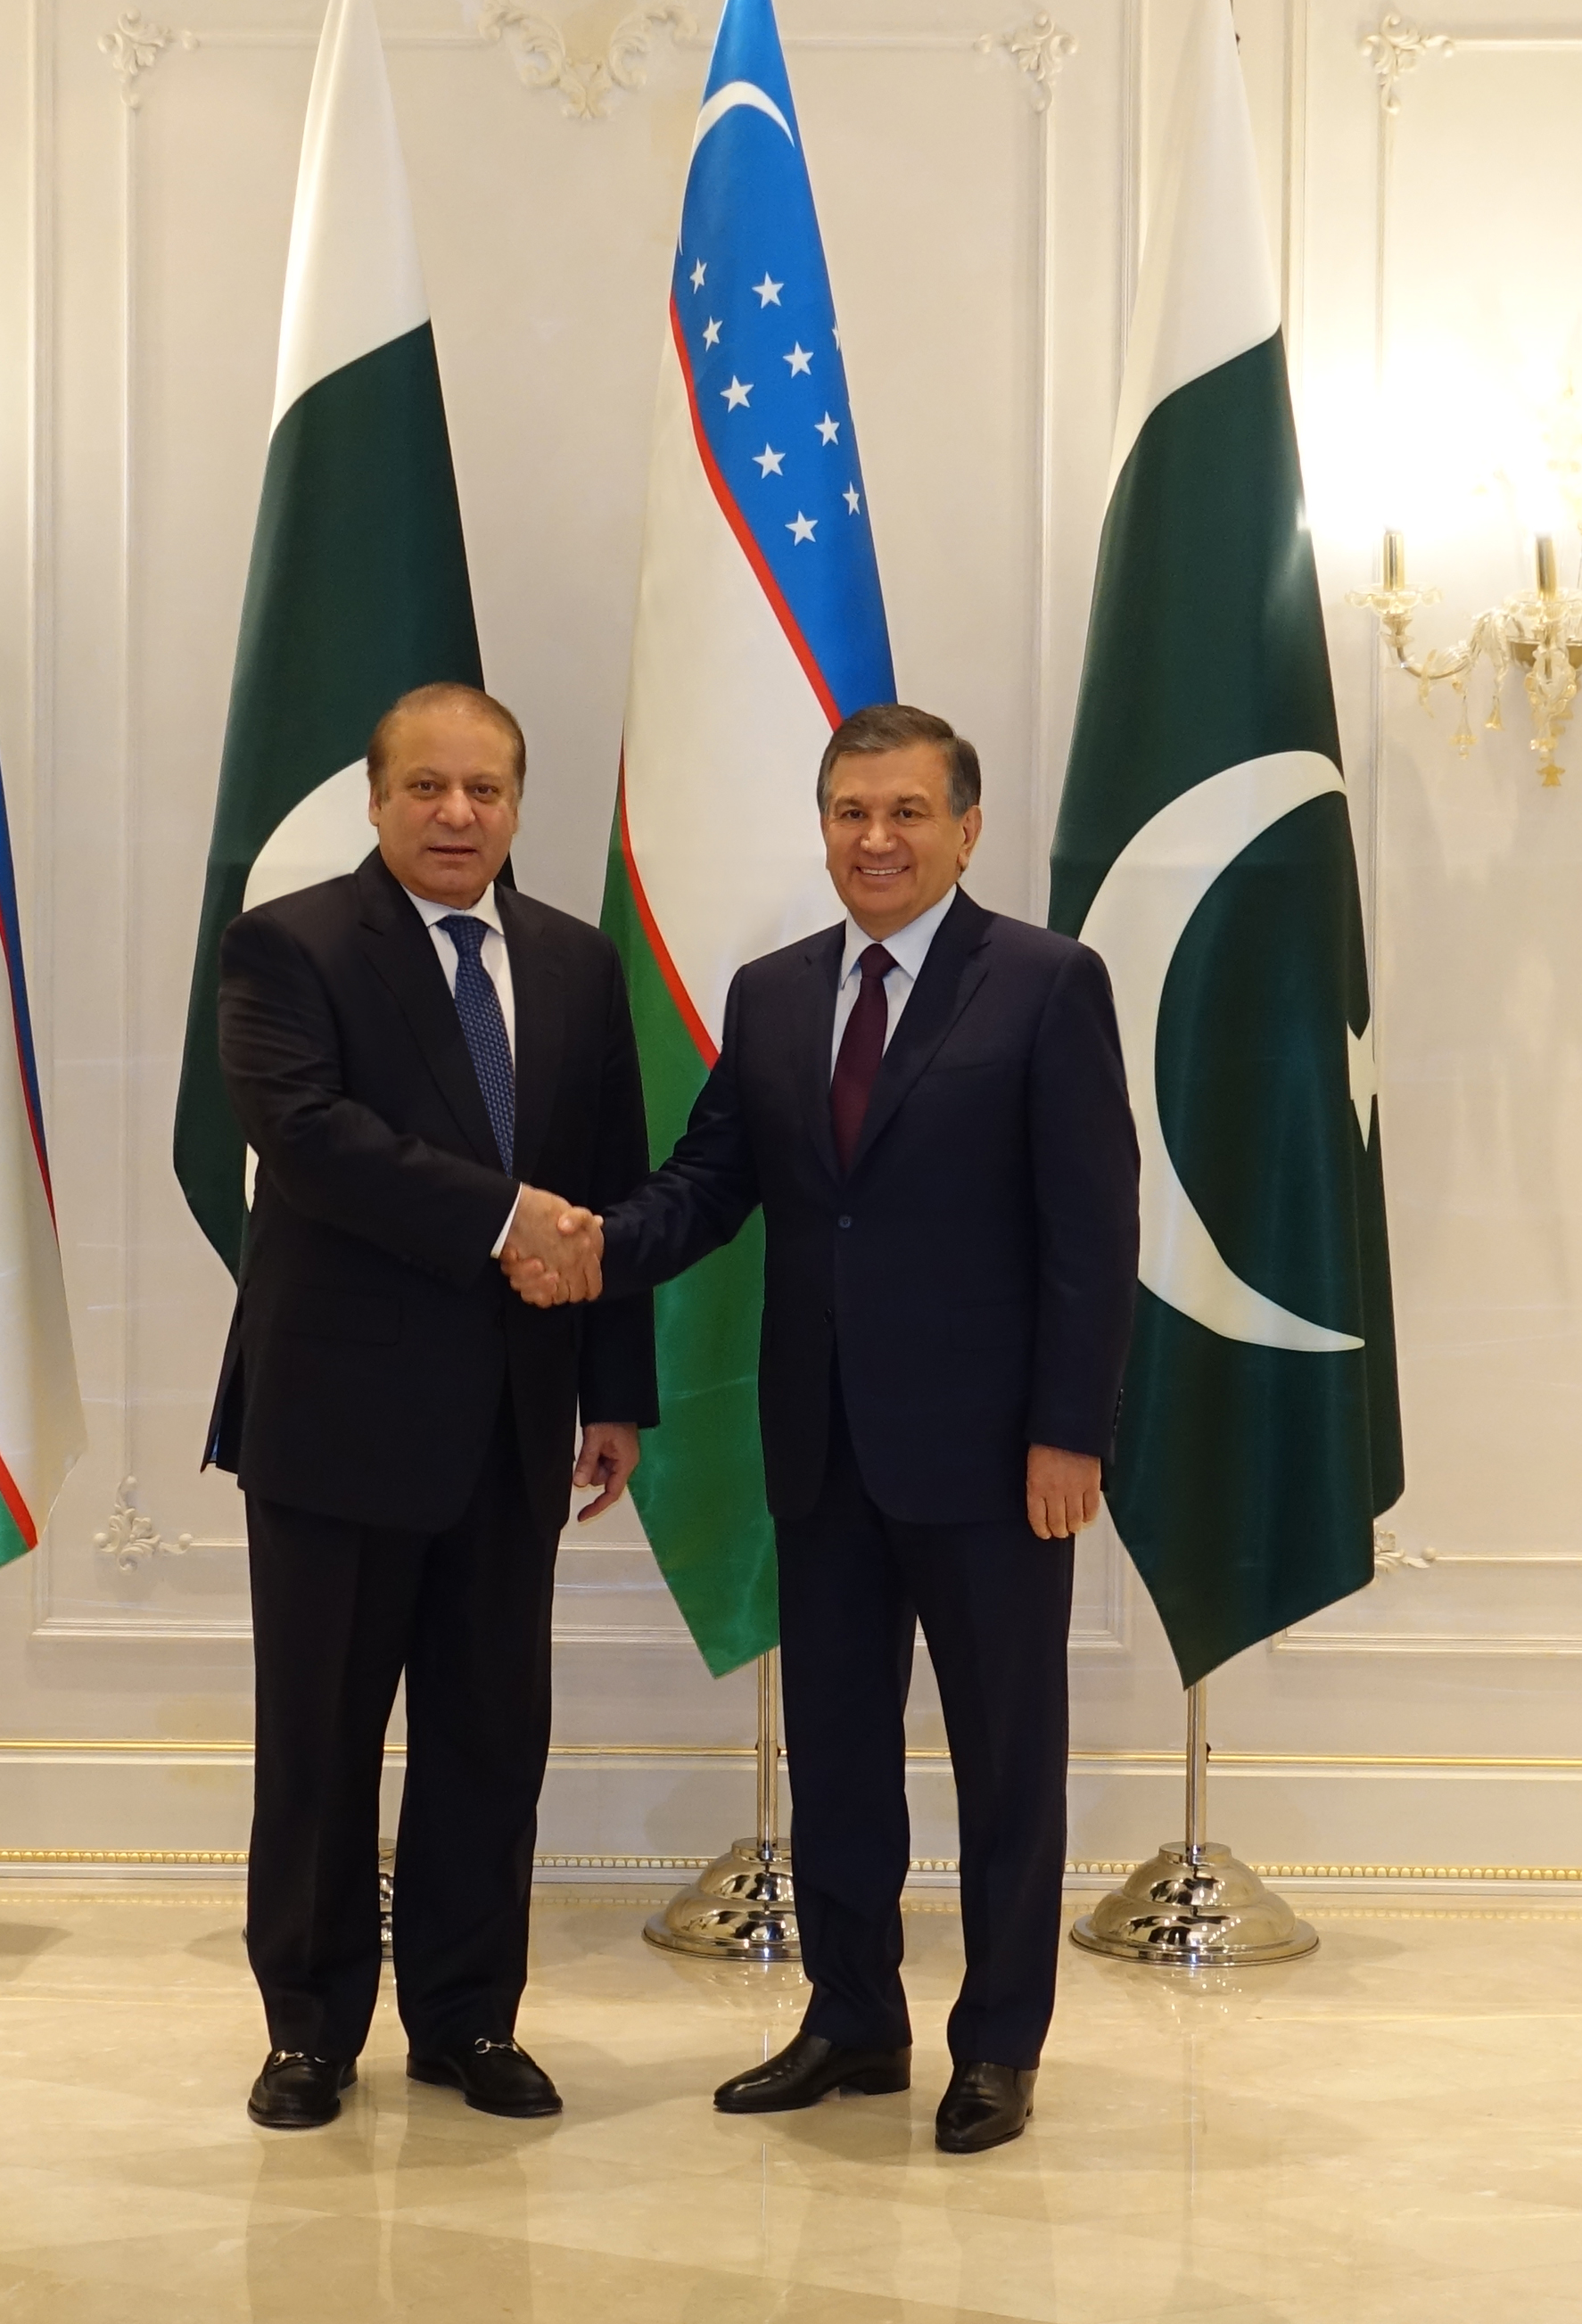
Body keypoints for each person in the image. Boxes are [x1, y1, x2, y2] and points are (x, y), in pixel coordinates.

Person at [512, 702, 1137, 2154]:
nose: (877, 840)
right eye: (853, 813)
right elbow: (714, 1179)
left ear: (967, 830)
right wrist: (600, 1240)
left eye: (909, 813)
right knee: (839, 1755)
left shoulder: (1046, 984)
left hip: (995, 1460)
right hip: (824, 1447)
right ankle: (854, 2019)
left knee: (1004, 1761)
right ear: (825, 825)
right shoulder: (777, 992)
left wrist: (1070, 1429)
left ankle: (999, 2045)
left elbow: (1090, 1233)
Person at [207, 682, 650, 2132]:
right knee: (322, 1742)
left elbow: (616, 1194)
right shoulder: (292, 947)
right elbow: (313, 1138)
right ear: (377, 798)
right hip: (337, 1418)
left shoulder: (580, 966)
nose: (458, 815)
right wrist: (508, 1215)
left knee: (486, 1736)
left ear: (520, 803)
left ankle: (468, 2022)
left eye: (487, 791)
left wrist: (616, 1390)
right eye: (428, 790)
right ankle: (311, 2030)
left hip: (516, 1426)